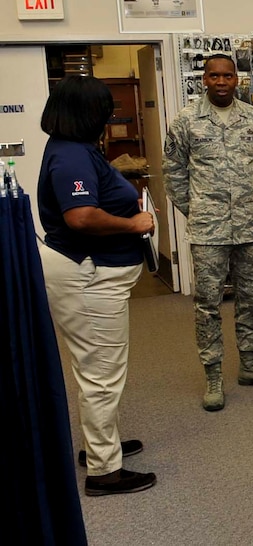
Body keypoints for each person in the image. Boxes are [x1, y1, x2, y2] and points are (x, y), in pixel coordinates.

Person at [37, 75, 157, 496]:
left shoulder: (75, 149)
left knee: (97, 369)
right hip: (88, 275)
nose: (109, 117)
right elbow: (81, 217)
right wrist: (134, 223)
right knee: (102, 374)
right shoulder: (71, 156)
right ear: (86, 112)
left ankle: (100, 446)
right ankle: (104, 472)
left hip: (92, 274)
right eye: (104, 109)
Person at [163, 53, 253, 412]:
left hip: (248, 226)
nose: (220, 82)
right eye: (213, 76)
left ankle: (249, 364)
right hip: (208, 232)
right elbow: (173, 173)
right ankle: (213, 375)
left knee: (250, 301)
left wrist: (243, 200)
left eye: (227, 76)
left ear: (236, 79)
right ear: (204, 79)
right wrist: (200, 209)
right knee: (207, 306)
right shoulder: (186, 121)